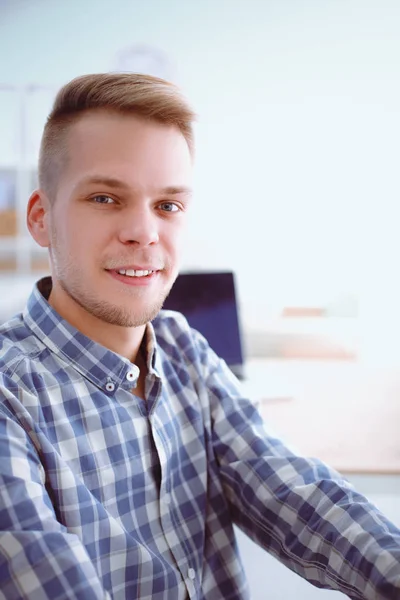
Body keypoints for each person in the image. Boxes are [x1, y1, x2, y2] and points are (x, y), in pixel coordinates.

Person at [0, 73, 399, 600]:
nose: (144, 232)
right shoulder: (11, 395)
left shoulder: (182, 347)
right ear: (41, 218)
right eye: (104, 197)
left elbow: (293, 492)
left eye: (168, 206)